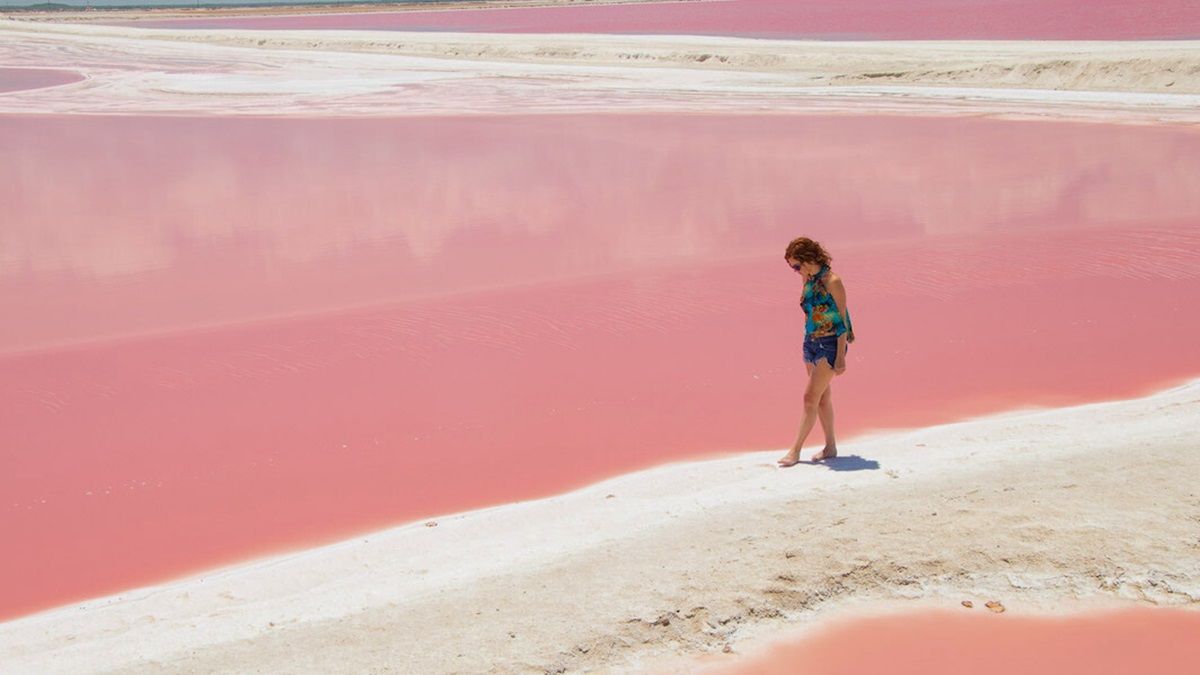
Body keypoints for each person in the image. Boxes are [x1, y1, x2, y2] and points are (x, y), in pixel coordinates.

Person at [778, 237, 855, 467]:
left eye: (796, 266)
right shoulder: (808, 278)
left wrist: (840, 357)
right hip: (810, 343)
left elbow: (841, 321)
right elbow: (809, 311)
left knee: (809, 398)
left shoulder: (834, 281)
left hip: (830, 345)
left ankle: (795, 450)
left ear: (808, 259)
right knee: (822, 398)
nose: (795, 271)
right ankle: (830, 446)